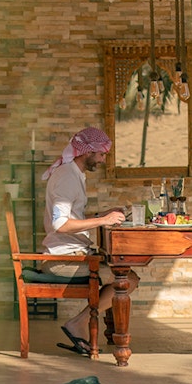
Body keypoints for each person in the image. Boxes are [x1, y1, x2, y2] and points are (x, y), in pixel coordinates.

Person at [39, 126, 140, 356]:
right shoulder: (66, 177)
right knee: (127, 280)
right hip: (61, 261)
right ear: (87, 152)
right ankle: (78, 323)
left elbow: (71, 219)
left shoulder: (73, 174)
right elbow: (60, 224)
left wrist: (101, 215)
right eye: (102, 154)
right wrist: (103, 220)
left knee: (124, 277)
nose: (104, 159)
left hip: (71, 254)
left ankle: (82, 324)